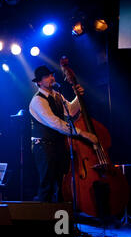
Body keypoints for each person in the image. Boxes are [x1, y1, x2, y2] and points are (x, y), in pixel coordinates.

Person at [29, 65, 98, 202]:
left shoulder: (57, 95)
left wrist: (78, 97)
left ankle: (60, 219)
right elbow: (55, 123)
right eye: (47, 76)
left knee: (61, 182)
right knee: (47, 184)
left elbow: (71, 111)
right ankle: (43, 218)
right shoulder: (37, 101)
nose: (52, 78)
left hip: (59, 144)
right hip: (44, 146)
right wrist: (82, 133)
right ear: (39, 82)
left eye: (52, 75)